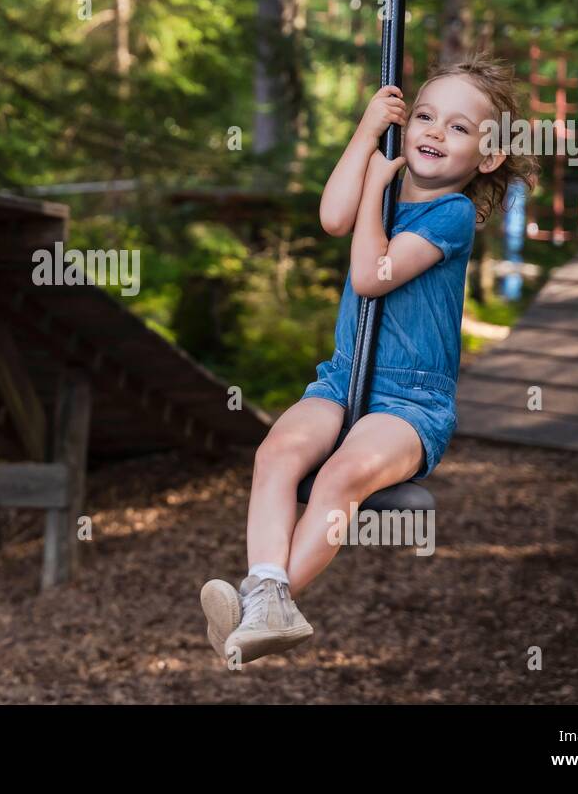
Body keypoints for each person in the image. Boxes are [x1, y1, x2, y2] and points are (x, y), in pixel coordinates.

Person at [202, 53, 538, 665]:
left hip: (411, 404)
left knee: (338, 476)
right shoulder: (380, 185)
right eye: (426, 116)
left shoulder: (451, 214)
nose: (435, 131)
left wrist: (378, 194)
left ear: (487, 158)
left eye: (459, 127)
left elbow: (371, 272)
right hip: (342, 380)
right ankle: (268, 594)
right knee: (274, 451)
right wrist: (364, 135)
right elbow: (333, 217)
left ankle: (269, 601)